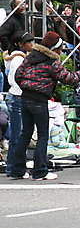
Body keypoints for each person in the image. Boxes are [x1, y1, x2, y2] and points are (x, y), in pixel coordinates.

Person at [10, 31, 80, 180]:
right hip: (40, 100)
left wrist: (26, 86)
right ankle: (39, 171)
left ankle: (17, 170)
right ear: (55, 48)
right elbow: (69, 78)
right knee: (43, 136)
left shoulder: (29, 58)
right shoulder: (52, 62)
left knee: (25, 134)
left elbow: (18, 75)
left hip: (25, 98)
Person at [4, 33, 34, 177]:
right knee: (18, 135)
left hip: (16, 96)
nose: (31, 45)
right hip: (17, 96)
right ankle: (14, 167)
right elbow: (16, 79)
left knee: (17, 134)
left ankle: (12, 166)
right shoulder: (18, 59)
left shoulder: (14, 58)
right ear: (20, 44)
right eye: (29, 42)